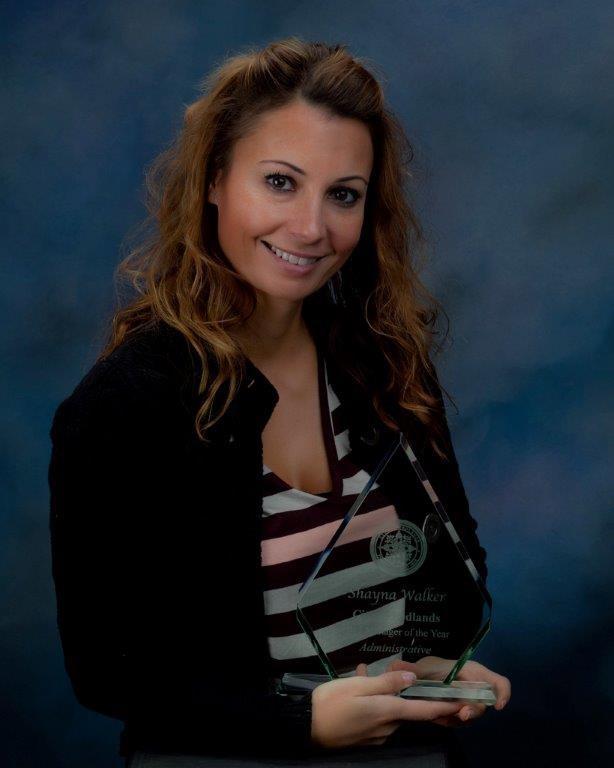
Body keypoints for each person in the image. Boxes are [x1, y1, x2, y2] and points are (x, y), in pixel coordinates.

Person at [48, 37, 510, 768]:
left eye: (344, 195)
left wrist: (424, 672)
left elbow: (453, 582)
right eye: (280, 182)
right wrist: (300, 724)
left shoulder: (380, 365)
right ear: (214, 180)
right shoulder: (126, 403)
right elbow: (110, 671)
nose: (310, 228)